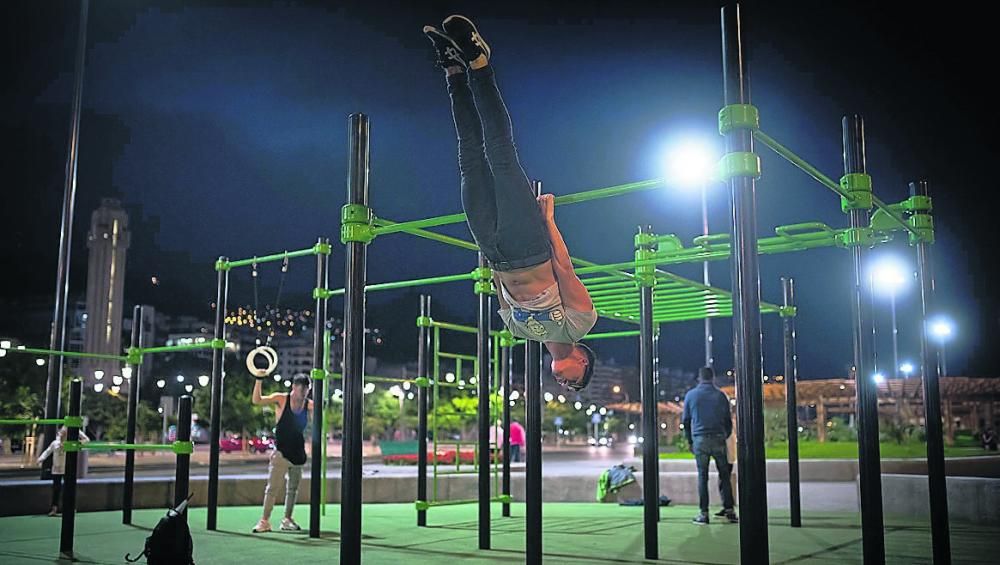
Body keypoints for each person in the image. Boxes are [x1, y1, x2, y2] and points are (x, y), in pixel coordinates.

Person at [423, 15, 598, 391]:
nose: (567, 384)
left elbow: (501, 289)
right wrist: (547, 220)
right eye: (576, 382)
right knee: (501, 154)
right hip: (529, 245)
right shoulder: (580, 323)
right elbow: (565, 270)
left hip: (495, 250)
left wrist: (489, 252)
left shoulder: (521, 332)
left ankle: (453, 70)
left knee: (469, 159)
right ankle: (479, 62)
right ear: (582, 360)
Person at [251, 374, 312, 533]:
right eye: (301, 389)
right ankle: (264, 521)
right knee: (272, 489)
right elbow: (257, 400)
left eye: (306, 390)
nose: (303, 393)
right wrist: (258, 379)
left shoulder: (309, 405)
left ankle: (287, 519)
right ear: (293, 387)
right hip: (281, 453)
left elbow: (322, 411)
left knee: (293, 490)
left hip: (298, 454)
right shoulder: (281, 399)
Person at [682, 367, 738, 525]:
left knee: (702, 476)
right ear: (713, 378)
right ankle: (729, 511)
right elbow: (728, 421)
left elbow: (686, 421)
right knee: (724, 475)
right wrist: (724, 435)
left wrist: (690, 441)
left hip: (700, 439)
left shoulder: (691, 395)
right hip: (718, 438)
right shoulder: (721, 395)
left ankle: (703, 513)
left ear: (699, 378)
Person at [37, 424, 90, 516]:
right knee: (56, 489)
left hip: (67, 469)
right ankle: (54, 508)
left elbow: (86, 440)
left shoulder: (71, 444)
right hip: (57, 469)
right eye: (61, 433)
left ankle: (70, 507)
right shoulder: (55, 443)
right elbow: (47, 451)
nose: (62, 435)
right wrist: (40, 459)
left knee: (68, 489)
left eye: (64, 434)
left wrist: (79, 442)